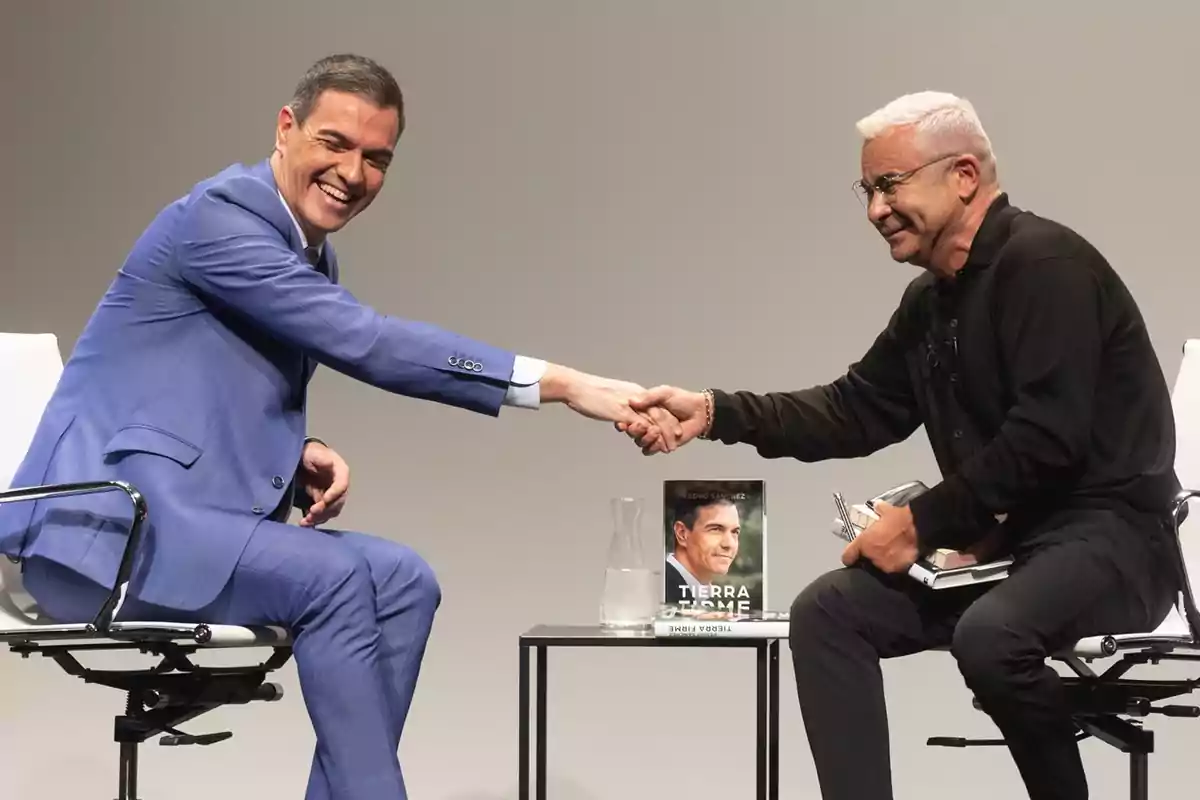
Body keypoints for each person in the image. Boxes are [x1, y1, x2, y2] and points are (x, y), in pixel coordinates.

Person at [0, 53, 678, 800]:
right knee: (329, 579)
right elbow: (367, 342)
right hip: (102, 541)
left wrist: (299, 452)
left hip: (183, 524)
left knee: (402, 579)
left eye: (376, 158)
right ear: (286, 129)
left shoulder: (306, 253)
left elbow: (185, 386)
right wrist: (560, 382)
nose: (353, 173)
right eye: (335, 143)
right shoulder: (219, 219)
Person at [621, 91, 1182, 800]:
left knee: (991, 637)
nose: (875, 210)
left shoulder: (1045, 265)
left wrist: (919, 526)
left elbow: (1047, 441)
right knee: (828, 613)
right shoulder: (931, 302)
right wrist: (711, 412)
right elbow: (853, 411)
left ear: (965, 176)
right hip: (1015, 549)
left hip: (1117, 547)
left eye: (890, 185)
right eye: (867, 190)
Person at [664, 492, 740, 607]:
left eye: (735, 532)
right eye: (716, 529)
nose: (729, 544)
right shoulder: (659, 589)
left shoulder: (708, 595)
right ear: (682, 534)